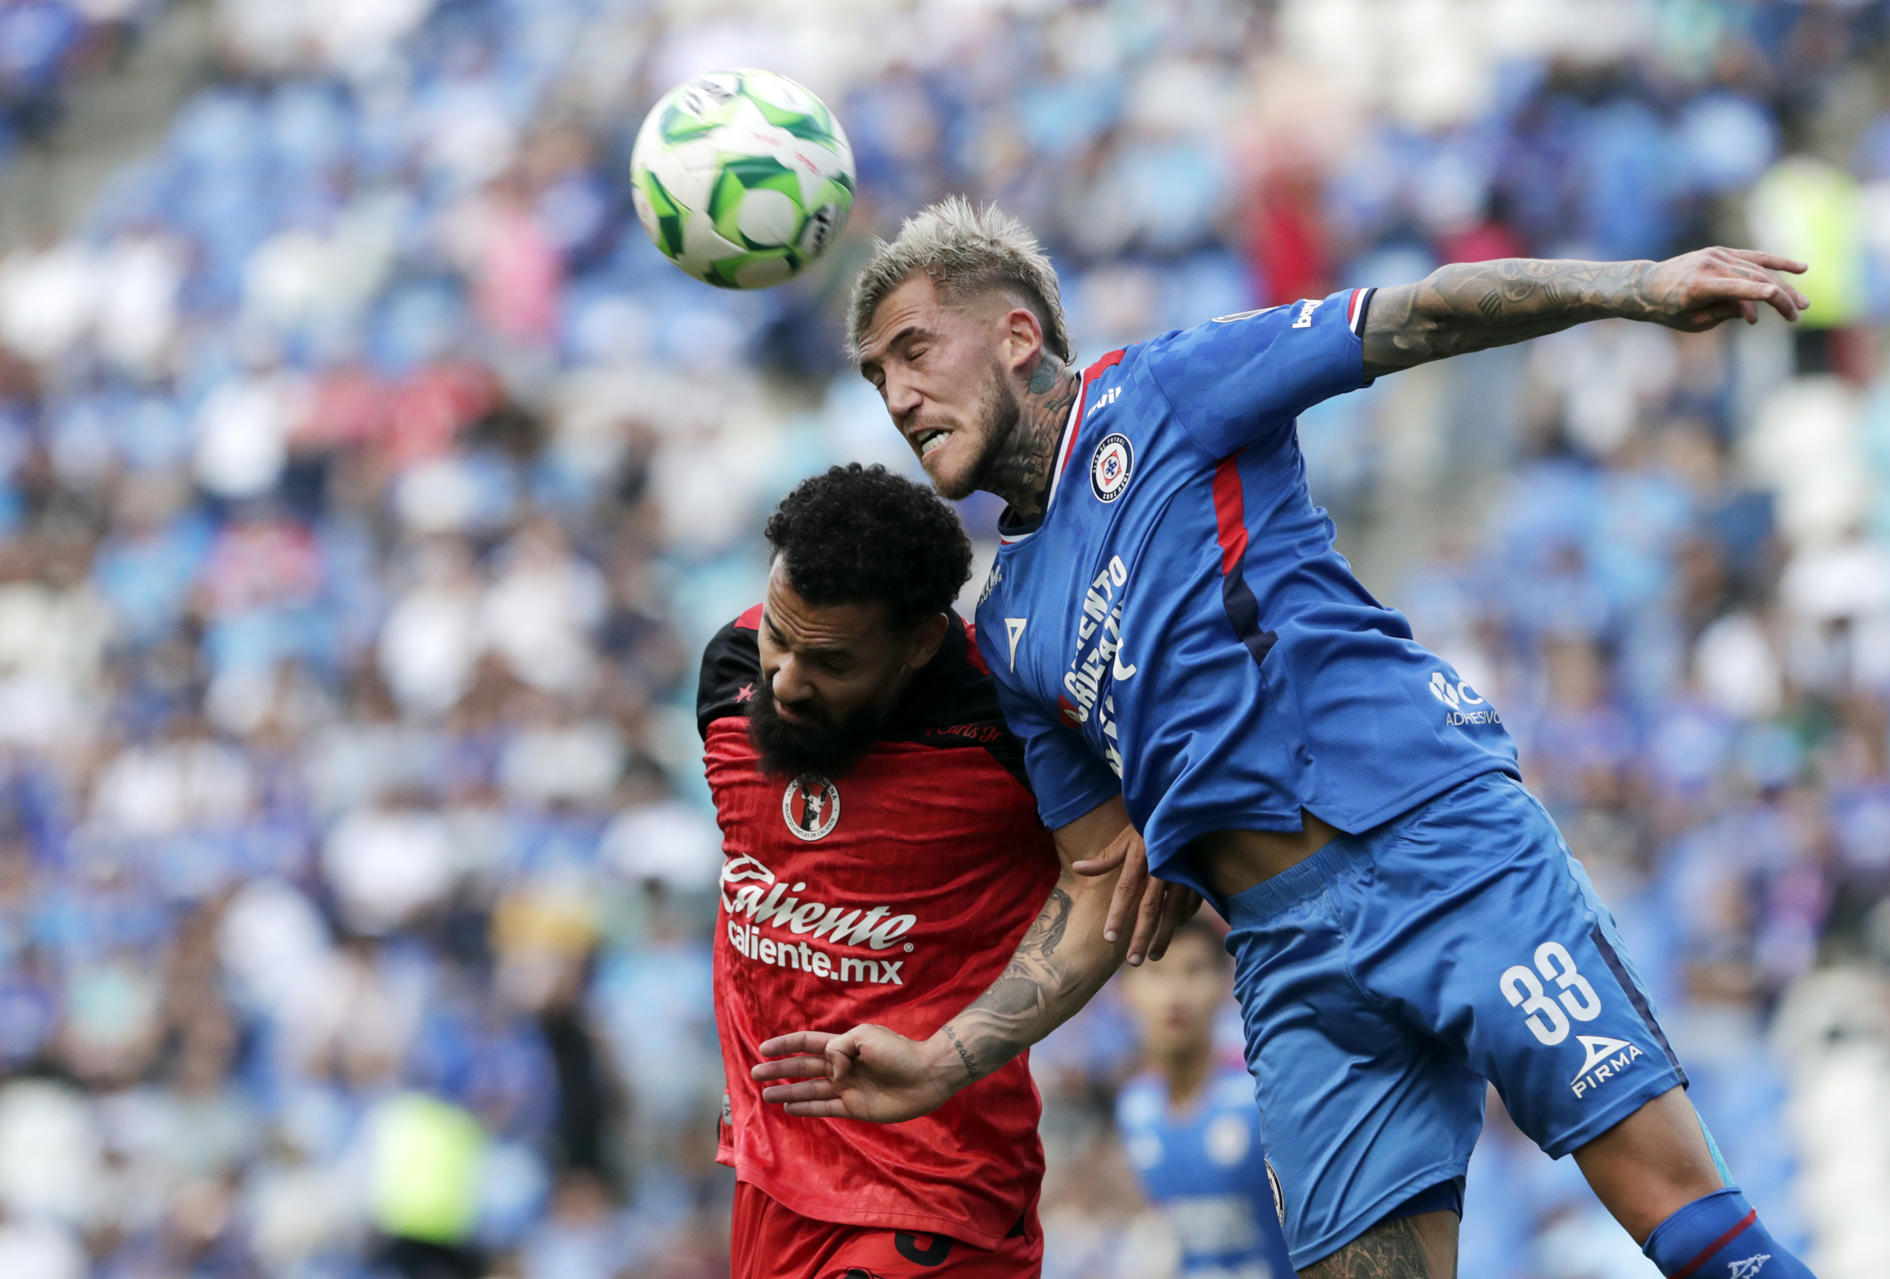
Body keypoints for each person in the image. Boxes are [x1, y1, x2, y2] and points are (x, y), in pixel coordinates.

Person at [754, 197, 1819, 1279]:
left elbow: (1418, 315)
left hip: (1440, 851)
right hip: (1291, 958)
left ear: (1018, 335)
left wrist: (1634, 287)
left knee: (1689, 1229)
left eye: (914, 350)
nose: (898, 394)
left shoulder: (1165, 391)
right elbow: (1090, 886)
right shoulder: (1012, 625)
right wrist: (941, 1061)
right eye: (876, 375)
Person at [701, 462, 1175, 1278]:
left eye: (831, 662)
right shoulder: (730, 677)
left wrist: (1173, 813)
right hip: (771, 1175)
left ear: (920, 640)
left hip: (934, 1188)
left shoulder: (1012, 719)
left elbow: (1108, 873)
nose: (786, 681)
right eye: (781, 637)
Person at [1117, 918, 1296, 1279]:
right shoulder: (1134, 1109)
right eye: (1157, 973)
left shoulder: (1262, 1094)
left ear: (1223, 983)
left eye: (1193, 971)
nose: (1174, 994)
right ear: (1127, 990)